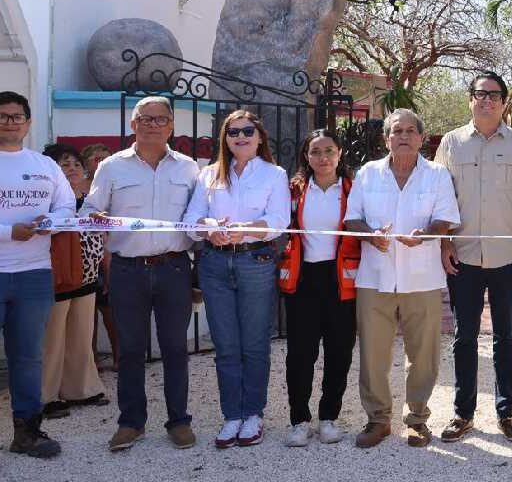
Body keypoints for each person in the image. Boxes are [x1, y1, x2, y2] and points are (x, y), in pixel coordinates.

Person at [81, 96, 201, 451]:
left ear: (171, 125)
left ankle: (179, 420)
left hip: (174, 268)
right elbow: (91, 208)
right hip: (127, 271)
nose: (152, 124)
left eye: (160, 119)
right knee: (130, 350)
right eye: (145, 119)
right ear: (133, 125)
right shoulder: (112, 167)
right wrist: (96, 217)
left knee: (176, 349)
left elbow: (198, 217)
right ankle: (131, 422)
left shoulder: (189, 168)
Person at [434, 72, 512, 444]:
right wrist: (445, 243)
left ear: (504, 102)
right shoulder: (451, 143)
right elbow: (440, 199)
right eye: (481, 94)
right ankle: (463, 413)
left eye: (495, 95)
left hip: (508, 256)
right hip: (462, 256)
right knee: (464, 337)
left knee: (506, 336)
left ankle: (507, 411)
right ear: (470, 99)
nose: (487, 100)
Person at [345, 109, 460, 449]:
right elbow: (352, 219)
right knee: (373, 354)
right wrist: (370, 236)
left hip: (422, 276)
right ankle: (378, 420)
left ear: (422, 138)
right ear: (386, 139)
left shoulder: (437, 174)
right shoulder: (367, 174)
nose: (404, 136)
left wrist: (425, 235)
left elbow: (445, 220)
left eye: (411, 131)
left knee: (423, 353)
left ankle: (417, 420)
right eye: (397, 131)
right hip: (375, 276)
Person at [184, 110, 289, 448]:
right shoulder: (209, 174)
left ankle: (253, 413)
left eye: (247, 131)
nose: (240, 137)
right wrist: (211, 230)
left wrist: (244, 229)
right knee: (226, 345)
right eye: (233, 132)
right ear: (225, 139)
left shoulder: (275, 174)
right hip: (215, 264)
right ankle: (232, 415)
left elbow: (279, 220)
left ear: (260, 137)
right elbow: (191, 219)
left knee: (255, 343)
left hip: (255, 261)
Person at [0, 91, 74, 458]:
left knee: (28, 357)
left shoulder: (45, 165)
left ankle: (26, 432)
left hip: (33, 274)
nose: (10, 121)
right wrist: (8, 231)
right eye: (3, 115)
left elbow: (65, 205)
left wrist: (51, 222)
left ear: (28, 123)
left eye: (17, 116)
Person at [278, 128, 358, 447]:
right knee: (300, 353)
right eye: (315, 152)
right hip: (303, 278)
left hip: (340, 279)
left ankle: (329, 417)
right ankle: (299, 419)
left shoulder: (353, 189)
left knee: (339, 351)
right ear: (306, 157)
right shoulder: (294, 189)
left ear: (339, 154)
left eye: (329, 151)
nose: (322, 158)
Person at [39, 144, 108, 420]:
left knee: (81, 332)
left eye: (76, 164)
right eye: (64, 164)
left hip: (87, 273)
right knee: (52, 337)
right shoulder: (49, 200)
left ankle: (82, 388)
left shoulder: (91, 199)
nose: (72, 169)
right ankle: (45, 395)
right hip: (58, 275)